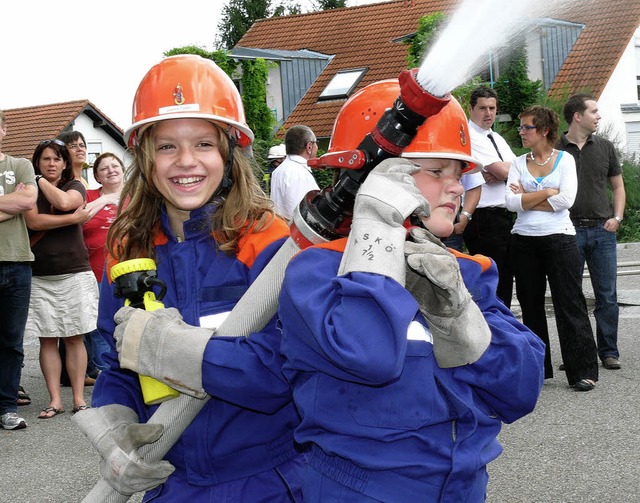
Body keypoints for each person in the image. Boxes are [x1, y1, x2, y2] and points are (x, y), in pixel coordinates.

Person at [278, 80, 545, 502]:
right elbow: (369, 355)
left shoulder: (465, 271)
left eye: (458, 173)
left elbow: (522, 388)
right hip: (359, 491)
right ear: (376, 179)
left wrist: (459, 312)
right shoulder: (315, 273)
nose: (457, 187)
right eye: (437, 172)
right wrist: (378, 236)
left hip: (463, 488)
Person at [74, 55, 304, 501]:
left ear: (229, 152)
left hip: (271, 479)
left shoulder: (268, 241)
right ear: (144, 155)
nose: (185, 162)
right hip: (173, 483)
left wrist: (190, 355)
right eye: (166, 146)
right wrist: (116, 425)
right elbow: (118, 361)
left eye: (203, 144)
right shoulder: (129, 247)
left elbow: (293, 368)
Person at [505, 105, 599, 391]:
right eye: (521, 127)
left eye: (527, 127)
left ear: (544, 130)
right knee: (531, 306)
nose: (521, 132)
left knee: (570, 304)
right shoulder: (518, 163)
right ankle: (538, 370)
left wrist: (528, 197)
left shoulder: (566, 160)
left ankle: (582, 371)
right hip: (523, 240)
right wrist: (546, 192)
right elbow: (510, 203)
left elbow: (567, 200)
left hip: (560, 239)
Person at [24, 139, 95, 418]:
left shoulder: (75, 186)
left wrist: (40, 182)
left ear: (65, 164)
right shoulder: (27, 189)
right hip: (39, 274)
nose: (51, 164)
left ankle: (78, 399)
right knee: (47, 340)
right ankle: (55, 400)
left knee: (75, 338)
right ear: (37, 163)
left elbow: (65, 202)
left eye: (56, 159)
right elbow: (34, 222)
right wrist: (73, 219)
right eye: (45, 160)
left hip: (74, 271)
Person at [557, 93, 626, 371]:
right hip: (567, 231)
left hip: (603, 230)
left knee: (607, 295)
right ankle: (577, 353)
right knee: (570, 296)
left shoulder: (606, 146)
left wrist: (617, 217)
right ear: (578, 116)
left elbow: (618, 187)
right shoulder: (556, 148)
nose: (599, 116)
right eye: (594, 111)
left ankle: (608, 351)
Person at [462, 86, 517, 308]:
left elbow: (520, 170)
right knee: (492, 282)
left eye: (492, 108)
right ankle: (494, 332)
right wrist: (504, 172)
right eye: (482, 108)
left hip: (503, 216)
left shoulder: (495, 137)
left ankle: (502, 328)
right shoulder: (469, 136)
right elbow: (507, 172)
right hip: (484, 217)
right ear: (471, 108)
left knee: (505, 279)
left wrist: (503, 171)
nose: (488, 113)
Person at [0, 109, 37, 430]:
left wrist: (17, 201)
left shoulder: (20, 165)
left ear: (4, 131)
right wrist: (8, 202)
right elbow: (17, 203)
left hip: (17, 262)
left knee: (12, 341)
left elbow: (27, 202)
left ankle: (7, 407)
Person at [82, 152, 125, 373]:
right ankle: (104, 369)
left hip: (128, 271)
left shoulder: (135, 196)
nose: (111, 170)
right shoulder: (88, 195)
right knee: (99, 324)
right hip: (94, 271)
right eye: (104, 168)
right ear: (97, 176)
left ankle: (120, 369)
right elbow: (80, 218)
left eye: (115, 165)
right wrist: (106, 199)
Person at [270, 125, 319, 221]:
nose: (317, 147)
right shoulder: (300, 173)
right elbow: (302, 215)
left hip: (280, 229)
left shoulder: (279, 170)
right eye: (316, 143)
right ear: (309, 146)